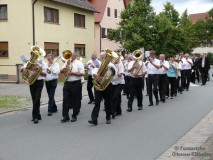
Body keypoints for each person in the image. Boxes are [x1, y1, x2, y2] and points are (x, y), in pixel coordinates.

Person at [88, 52, 116, 125]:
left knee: (107, 103)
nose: (102, 58)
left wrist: (103, 78)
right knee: (97, 103)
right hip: (98, 86)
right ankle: (94, 119)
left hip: (107, 86)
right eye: (101, 57)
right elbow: (94, 70)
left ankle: (108, 117)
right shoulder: (99, 64)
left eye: (103, 57)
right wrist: (95, 75)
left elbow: (114, 74)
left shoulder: (111, 65)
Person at [20, 53, 47, 124]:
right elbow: (22, 70)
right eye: (32, 54)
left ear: (38, 55)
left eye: (35, 54)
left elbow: (45, 74)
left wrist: (38, 70)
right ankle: (38, 114)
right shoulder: (29, 62)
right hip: (32, 82)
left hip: (39, 82)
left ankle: (34, 117)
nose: (33, 56)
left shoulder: (41, 62)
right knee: (34, 99)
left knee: (37, 98)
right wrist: (24, 69)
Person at [60, 52, 85, 123]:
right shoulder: (67, 62)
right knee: (65, 99)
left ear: (75, 56)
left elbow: (82, 73)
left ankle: (74, 115)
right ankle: (65, 116)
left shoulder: (79, 63)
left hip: (76, 83)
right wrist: (63, 69)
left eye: (71, 55)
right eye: (69, 55)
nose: (70, 57)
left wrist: (72, 73)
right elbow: (61, 71)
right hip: (67, 82)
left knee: (75, 100)